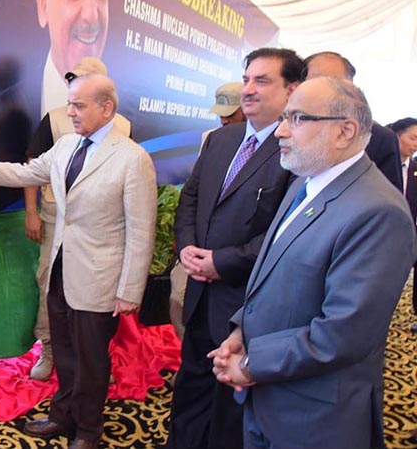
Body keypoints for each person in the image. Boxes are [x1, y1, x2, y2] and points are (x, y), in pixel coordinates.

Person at [210, 76, 417, 449]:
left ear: (345, 131)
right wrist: (241, 332)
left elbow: (343, 333)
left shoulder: (379, 212)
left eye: (297, 119)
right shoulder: (304, 183)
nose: (280, 131)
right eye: (284, 117)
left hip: (313, 420)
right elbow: (274, 278)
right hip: (267, 404)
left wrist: (252, 364)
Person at [0, 73, 155, 449]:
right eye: (69, 103)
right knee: (64, 352)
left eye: (78, 105)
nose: (70, 112)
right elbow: (24, 173)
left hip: (100, 280)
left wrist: (130, 290)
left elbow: (141, 231)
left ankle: (89, 430)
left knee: (91, 360)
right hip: (61, 271)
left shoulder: (132, 158)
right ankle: (62, 416)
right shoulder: (64, 147)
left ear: (106, 108)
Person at [166, 48, 303, 449]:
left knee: (231, 408)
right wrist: (188, 248)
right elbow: (190, 200)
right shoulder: (220, 140)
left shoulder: (295, 148)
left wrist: (221, 262)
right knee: (190, 389)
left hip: (246, 304)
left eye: (262, 80)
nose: (248, 89)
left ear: (291, 89)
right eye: (246, 79)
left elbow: (284, 232)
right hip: (199, 294)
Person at [23, 56, 131, 381]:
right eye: (73, 79)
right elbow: (30, 168)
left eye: (83, 80)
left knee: (96, 289)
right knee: (50, 283)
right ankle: (50, 347)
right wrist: (32, 212)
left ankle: (94, 354)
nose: (75, 85)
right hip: (56, 217)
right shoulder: (57, 119)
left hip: (100, 225)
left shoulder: (124, 127)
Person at [170, 82, 246, 340]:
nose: (224, 120)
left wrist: (221, 260)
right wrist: (186, 245)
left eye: (230, 114)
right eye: (220, 114)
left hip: (232, 264)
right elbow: (193, 194)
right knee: (179, 300)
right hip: (197, 251)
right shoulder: (212, 138)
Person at [303, 51, 402, 190]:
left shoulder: (381, 139)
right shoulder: (285, 130)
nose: (325, 89)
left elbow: (388, 195)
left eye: (335, 83)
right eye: (316, 82)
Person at [386, 117, 417, 316]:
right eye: (413, 138)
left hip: (404, 237)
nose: (416, 145)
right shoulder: (379, 167)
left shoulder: (415, 170)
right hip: (379, 234)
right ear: (397, 136)